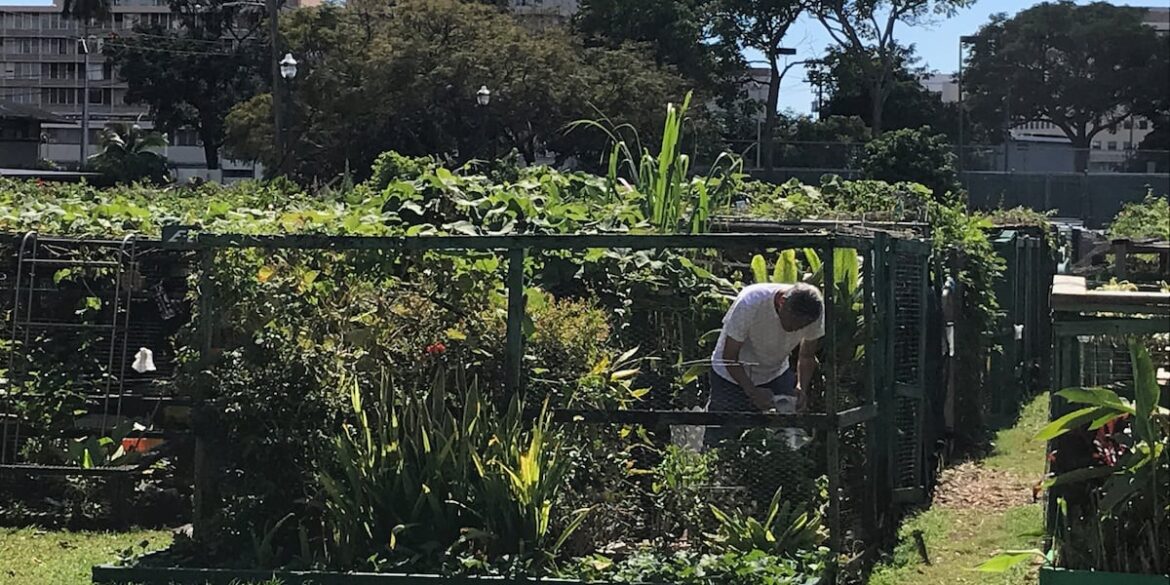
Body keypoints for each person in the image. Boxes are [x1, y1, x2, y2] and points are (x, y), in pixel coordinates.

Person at [705, 282, 825, 445]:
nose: (796, 330)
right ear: (782, 302)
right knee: (722, 440)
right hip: (730, 376)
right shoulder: (750, 303)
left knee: (786, 438)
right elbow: (730, 357)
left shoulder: (814, 311)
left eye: (802, 327)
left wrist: (801, 388)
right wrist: (753, 392)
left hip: (775, 372)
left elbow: (807, 355)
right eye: (793, 323)